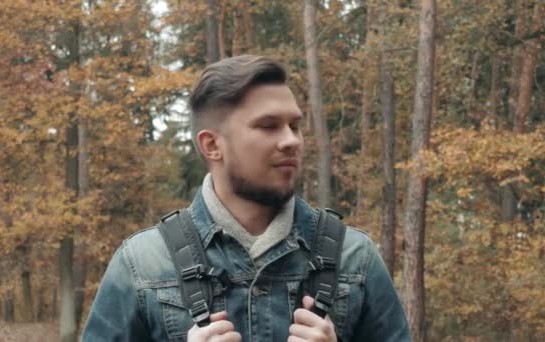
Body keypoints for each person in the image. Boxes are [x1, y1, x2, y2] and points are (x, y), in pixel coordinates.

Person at [82, 55, 410, 342]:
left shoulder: (355, 258)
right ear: (212, 145)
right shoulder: (143, 265)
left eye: (295, 126)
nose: (291, 141)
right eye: (268, 126)